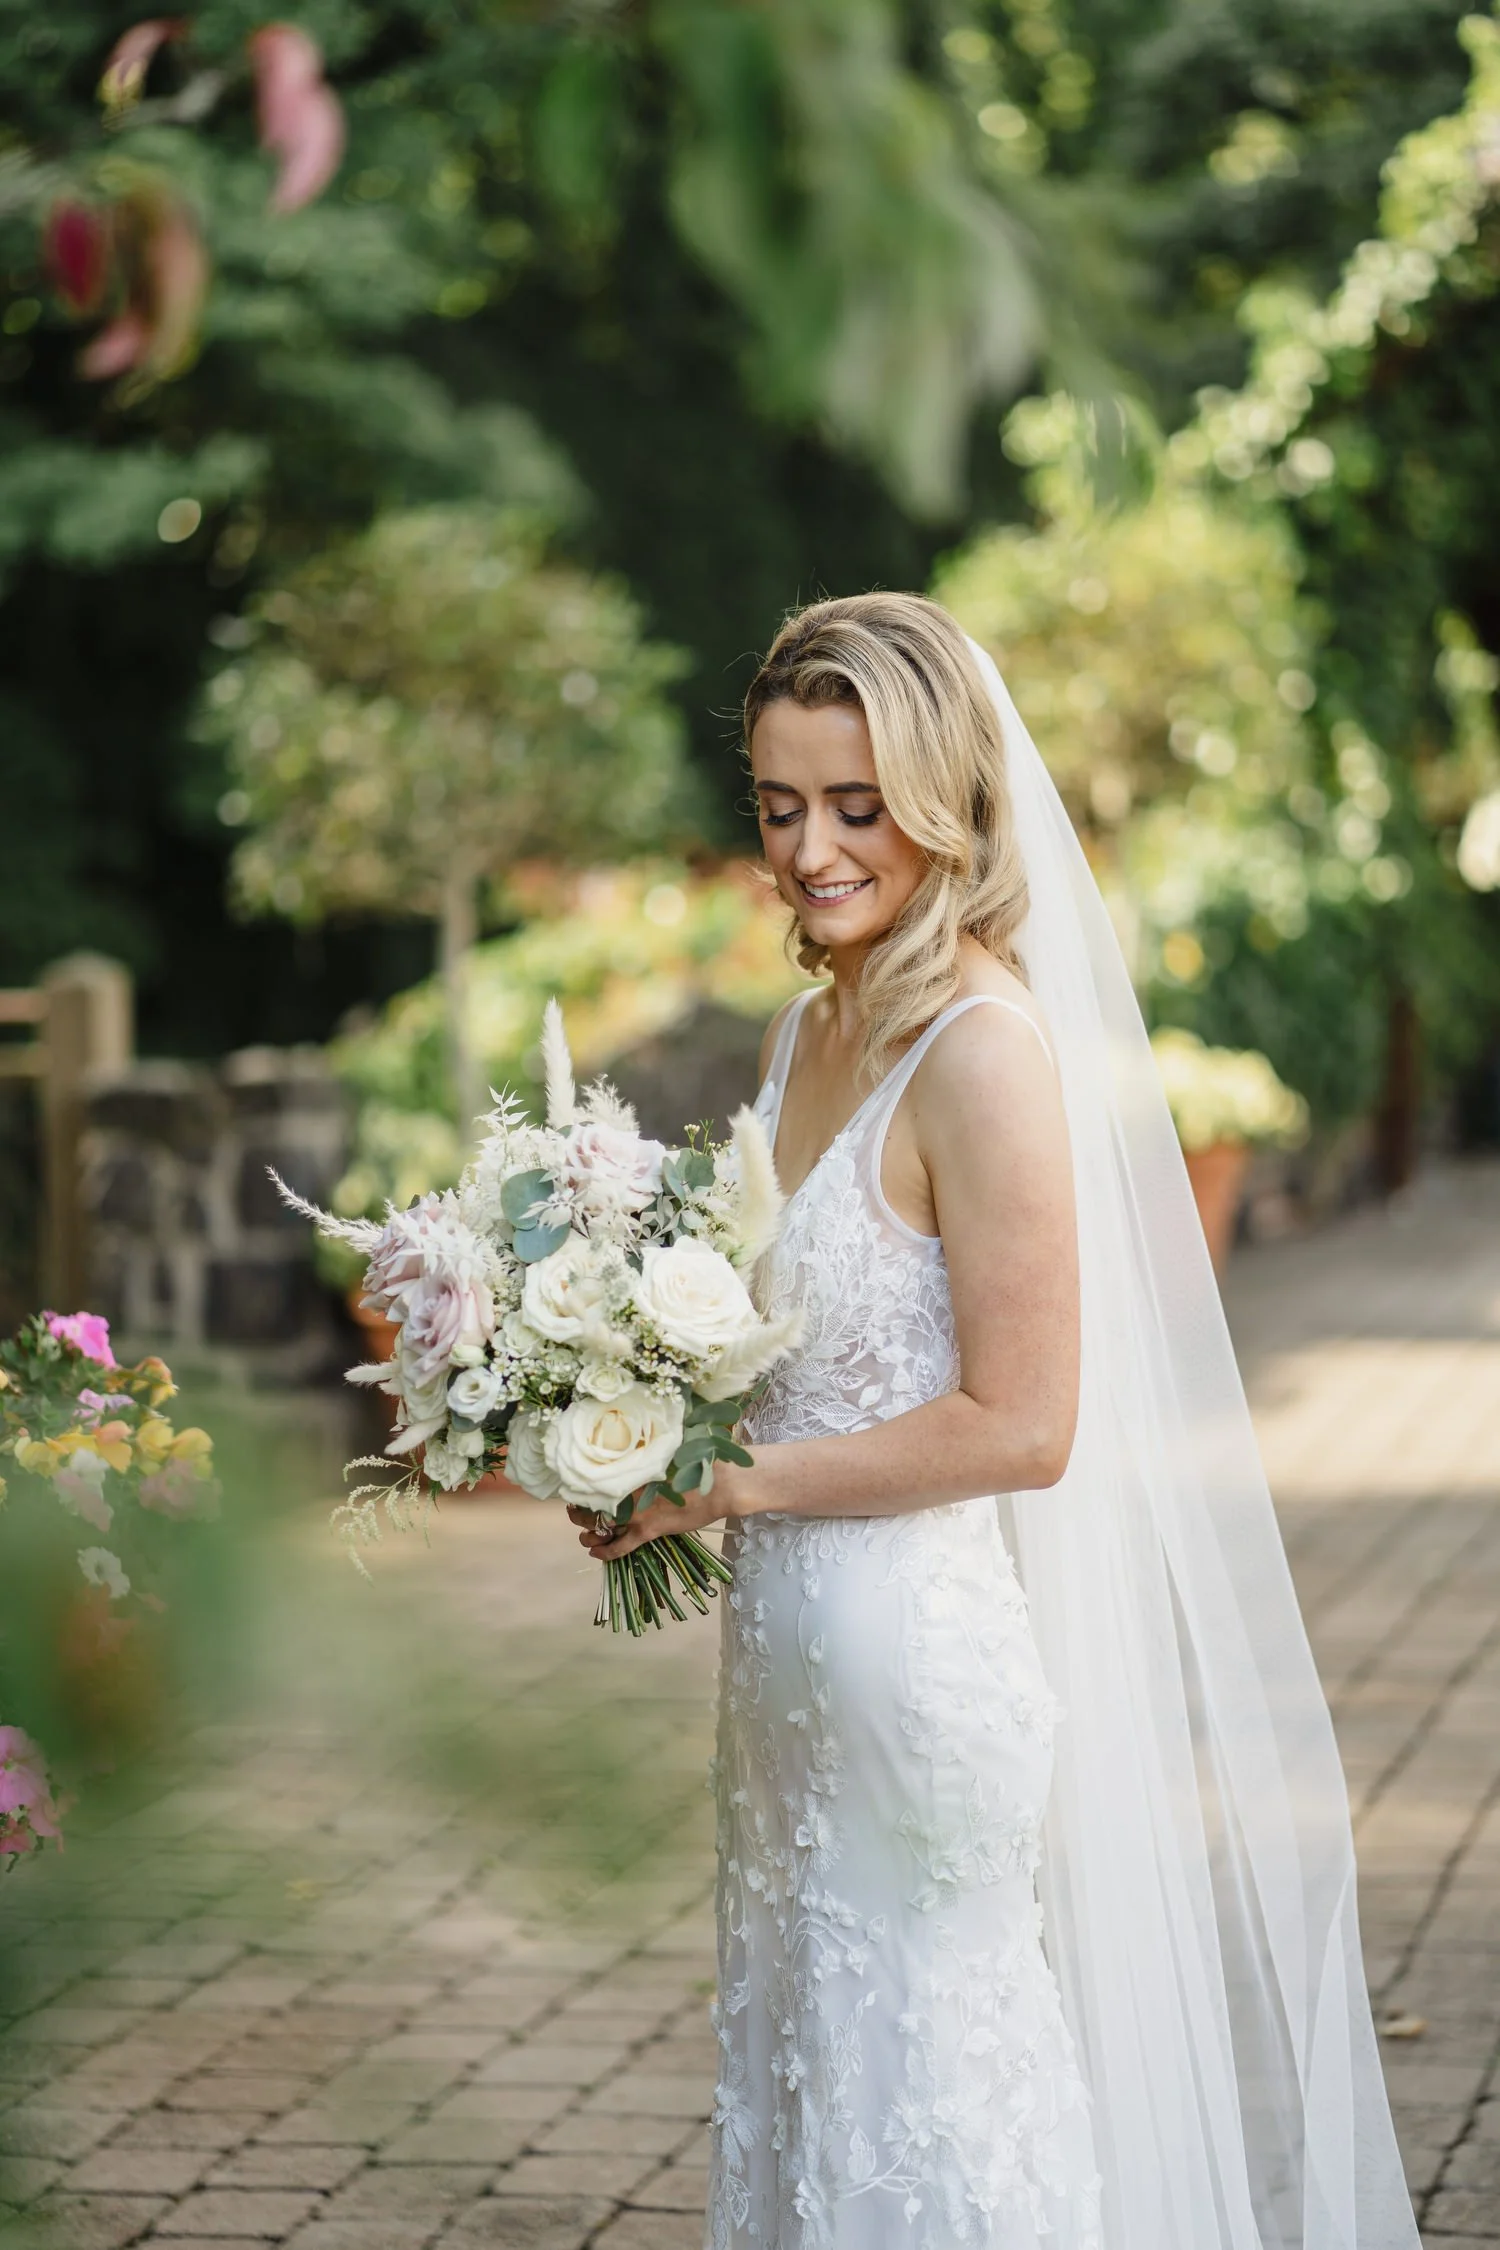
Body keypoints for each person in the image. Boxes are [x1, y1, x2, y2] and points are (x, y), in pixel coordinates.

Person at [575, 594, 1419, 2250]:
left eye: (857, 805)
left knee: (938, 2112)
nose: (811, 850)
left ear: (946, 802)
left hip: (914, 1669)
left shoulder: (981, 1050)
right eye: (780, 805)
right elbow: (790, 1339)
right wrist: (608, 1409)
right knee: (817, 2089)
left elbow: (1025, 1424)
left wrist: (731, 1483)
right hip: (788, 1668)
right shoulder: (804, 1029)